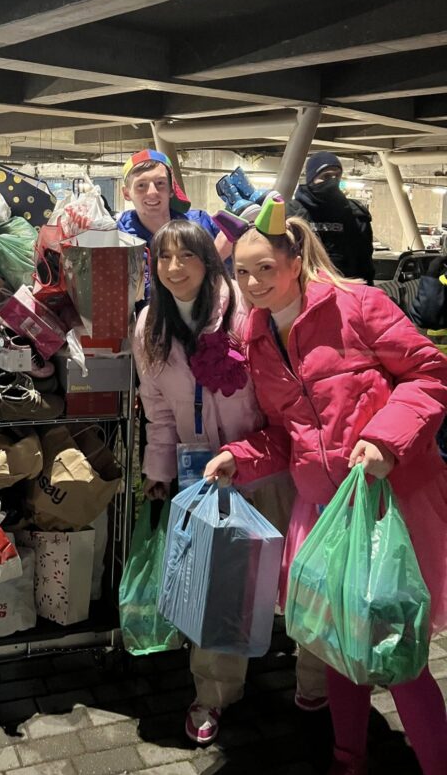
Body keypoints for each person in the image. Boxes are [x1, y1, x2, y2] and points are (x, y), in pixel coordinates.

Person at [205, 195, 447, 775]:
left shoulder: (358, 305)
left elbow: (429, 373)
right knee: (339, 643)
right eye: (243, 272)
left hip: (390, 505)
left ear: (295, 261)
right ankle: (347, 758)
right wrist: (238, 457)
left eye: (265, 268)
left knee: (400, 653)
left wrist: (385, 440)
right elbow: (285, 435)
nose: (253, 283)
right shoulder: (256, 338)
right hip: (323, 511)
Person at [133, 218, 325, 746]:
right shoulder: (150, 325)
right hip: (207, 477)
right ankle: (213, 693)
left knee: (302, 581)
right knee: (218, 589)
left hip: (272, 465)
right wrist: (158, 472)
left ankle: (316, 679)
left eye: (187, 256)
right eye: (164, 257)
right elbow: (158, 410)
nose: (175, 268)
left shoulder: (245, 311)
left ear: (208, 261)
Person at [118, 149, 229, 300]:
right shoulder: (119, 242)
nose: (152, 192)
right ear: (126, 193)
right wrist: (215, 257)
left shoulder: (202, 224)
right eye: (141, 185)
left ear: (172, 189)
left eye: (160, 183)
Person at [288, 152, 375, 283]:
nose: (332, 181)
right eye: (326, 176)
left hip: (348, 287)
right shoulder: (291, 213)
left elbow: (365, 262)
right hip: (305, 288)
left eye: (337, 176)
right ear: (311, 179)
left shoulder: (355, 214)